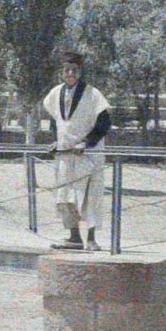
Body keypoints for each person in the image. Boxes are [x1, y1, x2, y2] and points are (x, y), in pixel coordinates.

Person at [40, 49, 112, 251]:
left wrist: (86, 143)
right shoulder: (55, 93)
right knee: (65, 196)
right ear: (61, 73)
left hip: (87, 155)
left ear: (80, 72)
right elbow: (57, 121)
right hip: (65, 154)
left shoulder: (93, 94)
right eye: (66, 70)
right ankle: (73, 237)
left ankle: (91, 239)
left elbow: (105, 123)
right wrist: (56, 141)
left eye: (74, 70)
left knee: (89, 196)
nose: (70, 74)